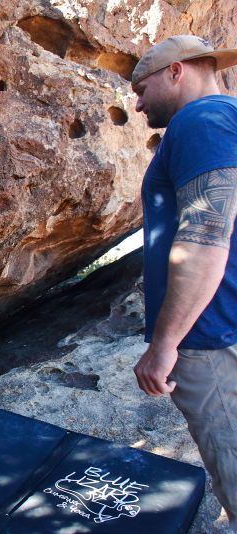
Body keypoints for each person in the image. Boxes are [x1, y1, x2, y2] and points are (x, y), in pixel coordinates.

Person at [131, 35, 237, 528]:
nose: (136, 102)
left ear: (176, 71)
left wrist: (165, 343)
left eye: (142, 86)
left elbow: (204, 235)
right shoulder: (229, 119)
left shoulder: (200, 120)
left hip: (210, 335)